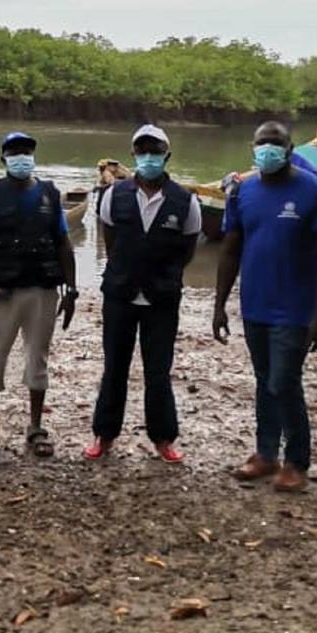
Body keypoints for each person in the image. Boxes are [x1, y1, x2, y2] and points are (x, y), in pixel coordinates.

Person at [212, 121, 317, 493]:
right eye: (261, 144)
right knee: (264, 381)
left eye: (275, 144)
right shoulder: (242, 192)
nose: (267, 150)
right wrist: (219, 304)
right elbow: (231, 248)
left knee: (284, 381)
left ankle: (297, 462)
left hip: (296, 310)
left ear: (289, 149)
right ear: (252, 148)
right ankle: (266, 454)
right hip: (255, 306)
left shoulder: (316, 194)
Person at [87, 125, 201, 463]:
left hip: (162, 299)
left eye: (155, 151)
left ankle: (163, 438)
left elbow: (188, 249)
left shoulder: (185, 200)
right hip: (120, 295)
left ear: (167, 155)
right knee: (114, 367)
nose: (149, 157)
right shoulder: (114, 195)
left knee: (158, 370)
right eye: (142, 151)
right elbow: (110, 241)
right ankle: (104, 434)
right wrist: (126, 269)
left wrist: (163, 275)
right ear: (134, 155)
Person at [0, 132, 77, 459]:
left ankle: (36, 427)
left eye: (26, 151)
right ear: (3, 159)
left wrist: (71, 289)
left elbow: (63, 243)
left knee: (37, 359)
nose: (21, 157)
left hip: (43, 291)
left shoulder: (49, 194)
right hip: (0, 292)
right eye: (14, 152)